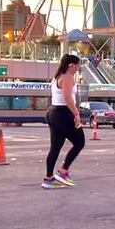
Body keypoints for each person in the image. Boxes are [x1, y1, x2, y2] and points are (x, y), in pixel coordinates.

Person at [42, 54, 84, 190]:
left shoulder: (57, 76)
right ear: (71, 65)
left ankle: (48, 178)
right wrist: (76, 114)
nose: (78, 68)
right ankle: (64, 171)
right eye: (77, 65)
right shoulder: (67, 77)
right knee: (79, 142)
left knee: (55, 147)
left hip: (53, 112)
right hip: (63, 113)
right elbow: (67, 98)